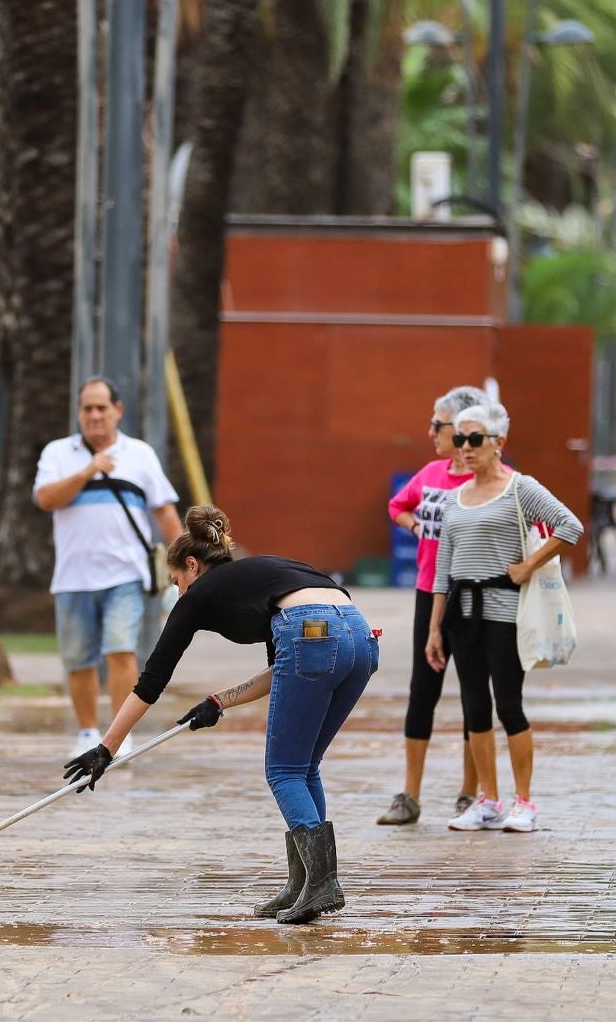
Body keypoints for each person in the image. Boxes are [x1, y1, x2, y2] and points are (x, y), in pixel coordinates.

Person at [63, 506, 375, 926]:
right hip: (359, 634)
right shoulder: (264, 574)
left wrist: (107, 748)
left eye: (176, 581)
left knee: (283, 770)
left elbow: (150, 682)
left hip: (311, 633)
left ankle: (320, 883)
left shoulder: (201, 594)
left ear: (191, 566)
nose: (178, 592)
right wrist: (219, 702)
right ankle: (305, 883)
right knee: (304, 767)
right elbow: (284, 666)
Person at [427, 399, 585, 834]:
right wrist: (434, 628)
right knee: (474, 708)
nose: (466, 448)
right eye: (460, 439)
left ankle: (524, 801)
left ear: (499, 443)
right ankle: (489, 800)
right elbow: (444, 567)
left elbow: (569, 526)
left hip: (505, 614)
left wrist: (528, 566)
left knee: (509, 705)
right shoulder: (453, 498)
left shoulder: (521, 488)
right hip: (462, 614)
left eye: (475, 439)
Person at [33, 377, 182, 758]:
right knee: (79, 659)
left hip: (125, 575)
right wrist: (87, 472)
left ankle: (119, 734)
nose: (95, 415)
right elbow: (46, 499)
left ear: (118, 410)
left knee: (121, 650)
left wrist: (185, 560)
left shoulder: (140, 454)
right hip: (73, 577)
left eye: (102, 407)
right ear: (79, 413)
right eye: (87, 408)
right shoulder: (57, 453)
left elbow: (163, 509)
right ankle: (86, 732)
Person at [377, 384, 487, 825]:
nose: (431, 432)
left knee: (475, 694)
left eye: (437, 424)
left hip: (476, 595)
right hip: (429, 593)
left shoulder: (489, 480)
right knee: (423, 691)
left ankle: (470, 793)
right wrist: (417, 528)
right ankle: (409, 795)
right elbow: (397, 505)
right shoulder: (431, 474)